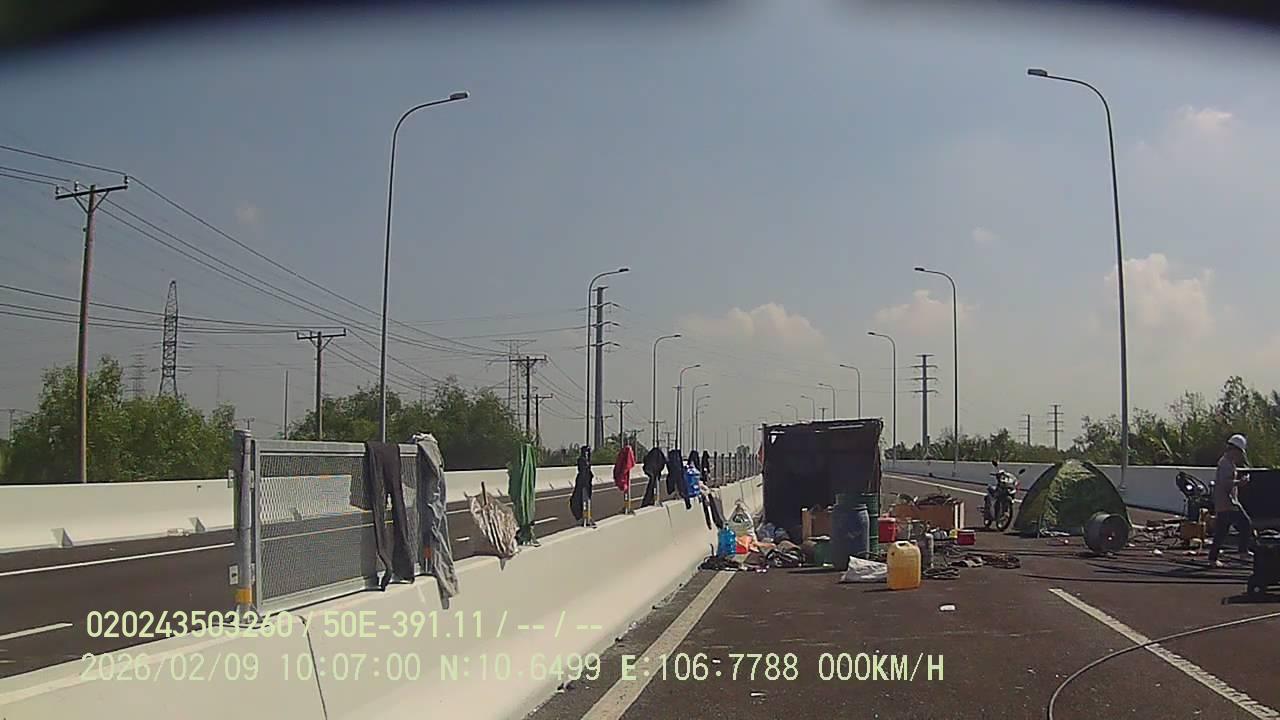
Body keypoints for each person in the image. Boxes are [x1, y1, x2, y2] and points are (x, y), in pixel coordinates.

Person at [1208, 433, 1253, 567]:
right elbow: (1225, 483)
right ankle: (1242, 551)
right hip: (1227, 503)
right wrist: (1240, 482)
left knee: (1222, 531)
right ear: (1234, 450)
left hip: (1227, 502)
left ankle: (1213, 558)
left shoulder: (1228, 463)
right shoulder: (1225, 464)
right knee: (1245, 524)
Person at [570, 446, 596, 528]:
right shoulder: (582, 460)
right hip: (582, 482)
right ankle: (583, 517)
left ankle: (586, 517)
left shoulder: (587, 462)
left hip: (586, 483)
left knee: (585, 501)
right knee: (577, 501)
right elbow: (582, 470)